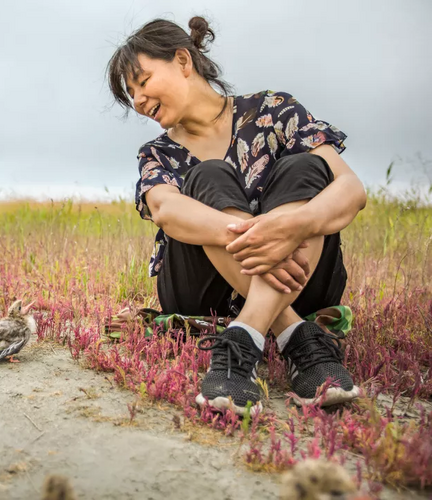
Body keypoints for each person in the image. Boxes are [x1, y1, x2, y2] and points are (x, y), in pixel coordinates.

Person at [106, 17, 366, 416]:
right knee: (207, 175)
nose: (138, 101)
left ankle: (243, 339)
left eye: (142, 82)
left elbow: (351, 189)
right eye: (131, 94)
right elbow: (166, 210)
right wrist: (258, 237)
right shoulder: (157, 152)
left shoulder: (274, 110)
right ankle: (301, 340)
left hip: (304, 276)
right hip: (201, 292)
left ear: (182, 60)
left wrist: (296, 224)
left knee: (305, 167)